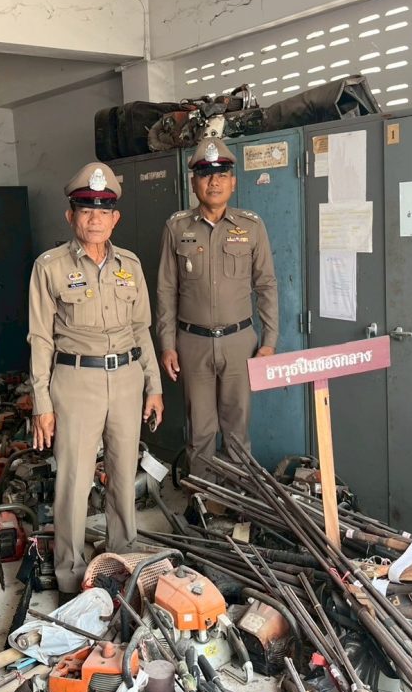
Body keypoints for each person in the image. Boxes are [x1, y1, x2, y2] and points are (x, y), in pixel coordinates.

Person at [27, 161, 163, 601]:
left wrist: (154, 386)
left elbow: (142, 330)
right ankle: (70, 575)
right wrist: (42, 403)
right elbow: (40, 338)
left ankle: (122, 560)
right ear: (71, 216)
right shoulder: (49, 267)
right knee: (74, 480)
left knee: (123, 474)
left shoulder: (130, 265)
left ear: (115, 218)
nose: (95, 220)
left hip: (126, 380)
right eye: (86, 210)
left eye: (103, 211)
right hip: (76, 382)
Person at [155, 137, 278, 481]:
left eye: (222, 174)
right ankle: (203, 498)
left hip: (240, 342)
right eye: (205, 174)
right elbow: (166, 290)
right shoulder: (177, 227)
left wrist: (269, 342)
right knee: (200, 430)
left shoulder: (251, 226)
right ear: (193, 182)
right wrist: (167, 344)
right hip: (192, 343)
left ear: (233, 182)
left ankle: (238, 496)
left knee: (237, 428)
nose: (214, 182)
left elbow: (267, 286)